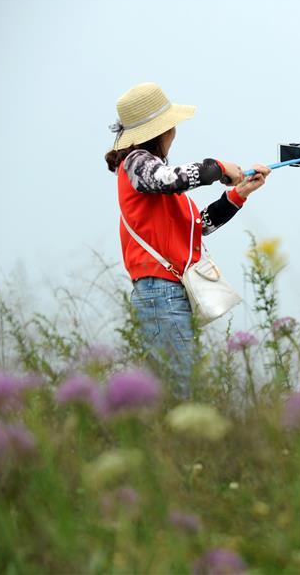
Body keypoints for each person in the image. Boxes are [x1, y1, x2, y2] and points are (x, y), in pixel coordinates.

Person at [104, 82, 271, 399]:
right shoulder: (137, 163)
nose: (174, 133)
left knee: (169, 389)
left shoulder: (148, 176)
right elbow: (168, 180)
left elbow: (199, 226)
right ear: (161, 131)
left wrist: (239, 193)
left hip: (166, 292)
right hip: (160, 291)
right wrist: (219, 168)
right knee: (183, 390)